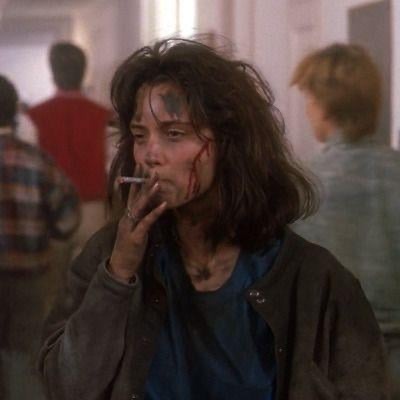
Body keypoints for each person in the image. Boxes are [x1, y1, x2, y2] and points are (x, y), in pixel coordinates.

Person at [39, 37, 389, 400]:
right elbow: (66, 388)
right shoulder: (112, 256)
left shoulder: (311, 277)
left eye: (174, 133)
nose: (150, 154)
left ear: (229, 142)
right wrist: (118, 274)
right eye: (140, 136)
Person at [291, 43, 400, 399]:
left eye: (309, 99)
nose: (307, 109)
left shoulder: (303, 186)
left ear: (326, 106)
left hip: (329, 368)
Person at [0, 75, 80, 400]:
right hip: (29, 276)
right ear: (14, 113)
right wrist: (49, 231)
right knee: (24, 355)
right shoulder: (37, 161)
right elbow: (67, 217)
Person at [27, 41, 112, 254]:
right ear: (83, 72)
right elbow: (111, 164)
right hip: (93, 208)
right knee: (92, 272)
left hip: (52, 210)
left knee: (54, 274)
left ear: (53, 72)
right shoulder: (102, 116)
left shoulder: (34, 117)